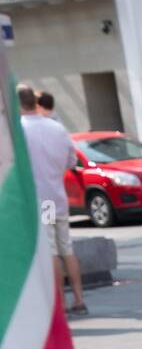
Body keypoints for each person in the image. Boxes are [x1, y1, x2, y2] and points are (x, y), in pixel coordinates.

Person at [18, 83, 87, 316]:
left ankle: (59, 302)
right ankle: (79, 298)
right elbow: (71, 161)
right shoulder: (57, 127)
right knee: (67, 248)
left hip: (41, 200)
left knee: (51, 251)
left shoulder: (19, 129)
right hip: (58, 196)